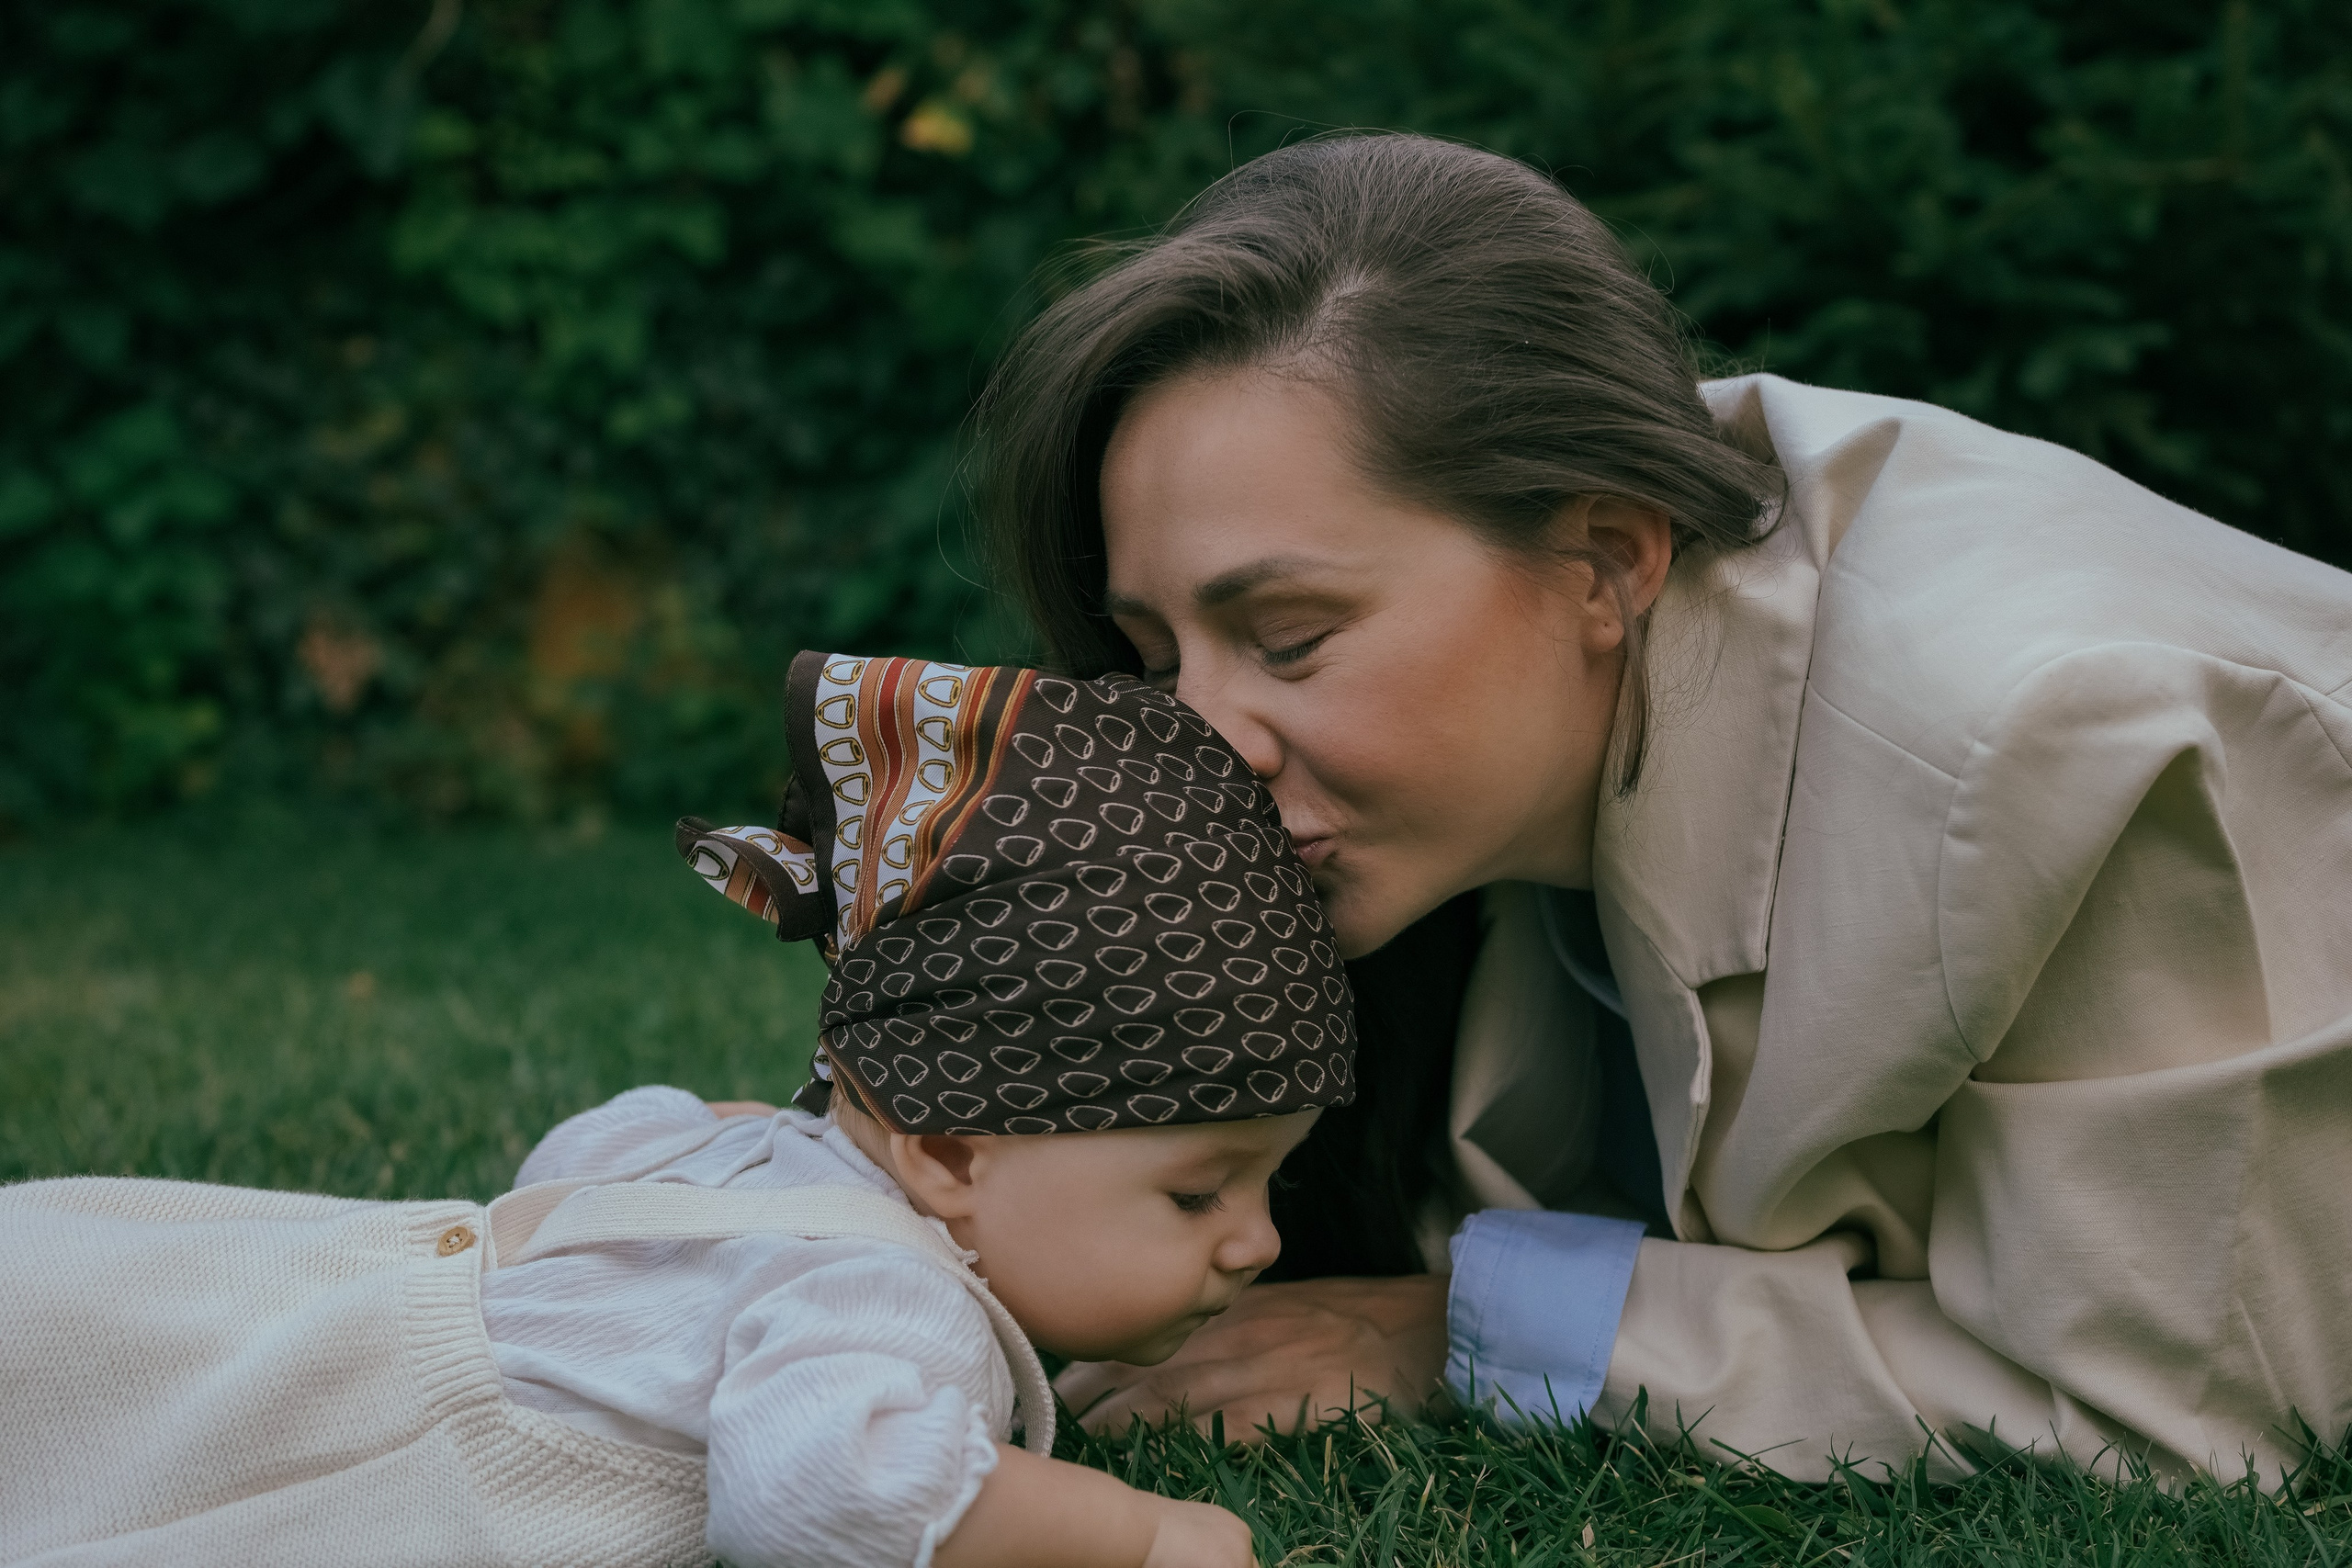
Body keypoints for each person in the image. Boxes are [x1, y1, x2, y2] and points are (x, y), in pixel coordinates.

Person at [975, 131, 2352, 1485]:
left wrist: (1463, 1329)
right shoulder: (1494, 724)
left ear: (1603, 560)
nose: (1196, 745)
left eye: (1288, 638)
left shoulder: (2052, 742)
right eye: (1157, 661)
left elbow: (2175, 1410)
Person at [0, 650, 1359, 1568]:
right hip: (338, 1455)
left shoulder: (754, 1163)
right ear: (948, 1149)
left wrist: (717, 1134)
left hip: (220, 1306)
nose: (1257, 1246)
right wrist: (1140, 1540)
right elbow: (824, 1492)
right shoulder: (893, 1300)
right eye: (1200, 1191)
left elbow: (584, 1155)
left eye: (1261, 1189)